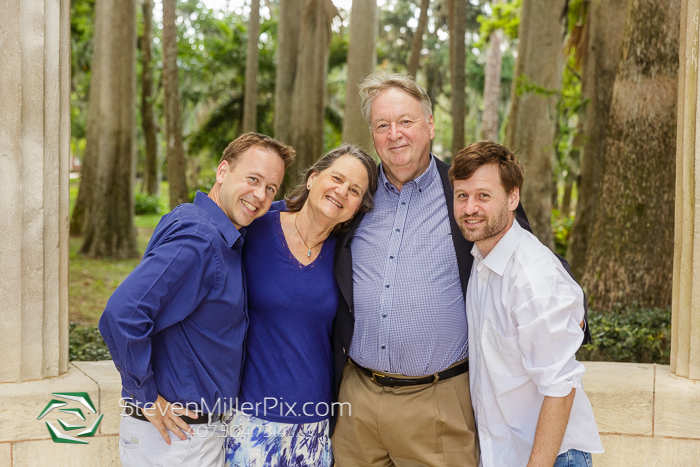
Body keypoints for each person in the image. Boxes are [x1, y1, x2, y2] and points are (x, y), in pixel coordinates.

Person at [331, 72, 588, 467]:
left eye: (406, 121)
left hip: (439, 405)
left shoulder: (465, 191)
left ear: (430, 125)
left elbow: (531, 259)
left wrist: (571, 324)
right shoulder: (355, 197)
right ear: (372, 133)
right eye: (382, 125)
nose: (394, 134)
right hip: (357, 402)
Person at [99, 132, 295, 467]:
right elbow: (124, 313)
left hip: (189, 438)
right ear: (223, 171)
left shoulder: (209, 228)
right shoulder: (201, 239)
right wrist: (147, 398)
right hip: (175, 439)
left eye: (271, 188)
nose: (260, 195)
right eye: (253, 179)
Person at [449, 141, 603, 466]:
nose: (469, 207)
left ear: (513, 197)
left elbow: (560, 388)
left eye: (483, 195)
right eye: (462, 195)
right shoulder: (481, 258)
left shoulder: (533, 278)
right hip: (504, 452)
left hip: (549, 457)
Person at [224, 144, 378, 467]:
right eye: (336, 178)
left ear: (357, 208)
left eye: (354, 190)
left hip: (314, 427)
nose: (341, 192)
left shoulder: (345, 254)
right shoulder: (257, 226)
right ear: (312, 178)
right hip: (252, 421)